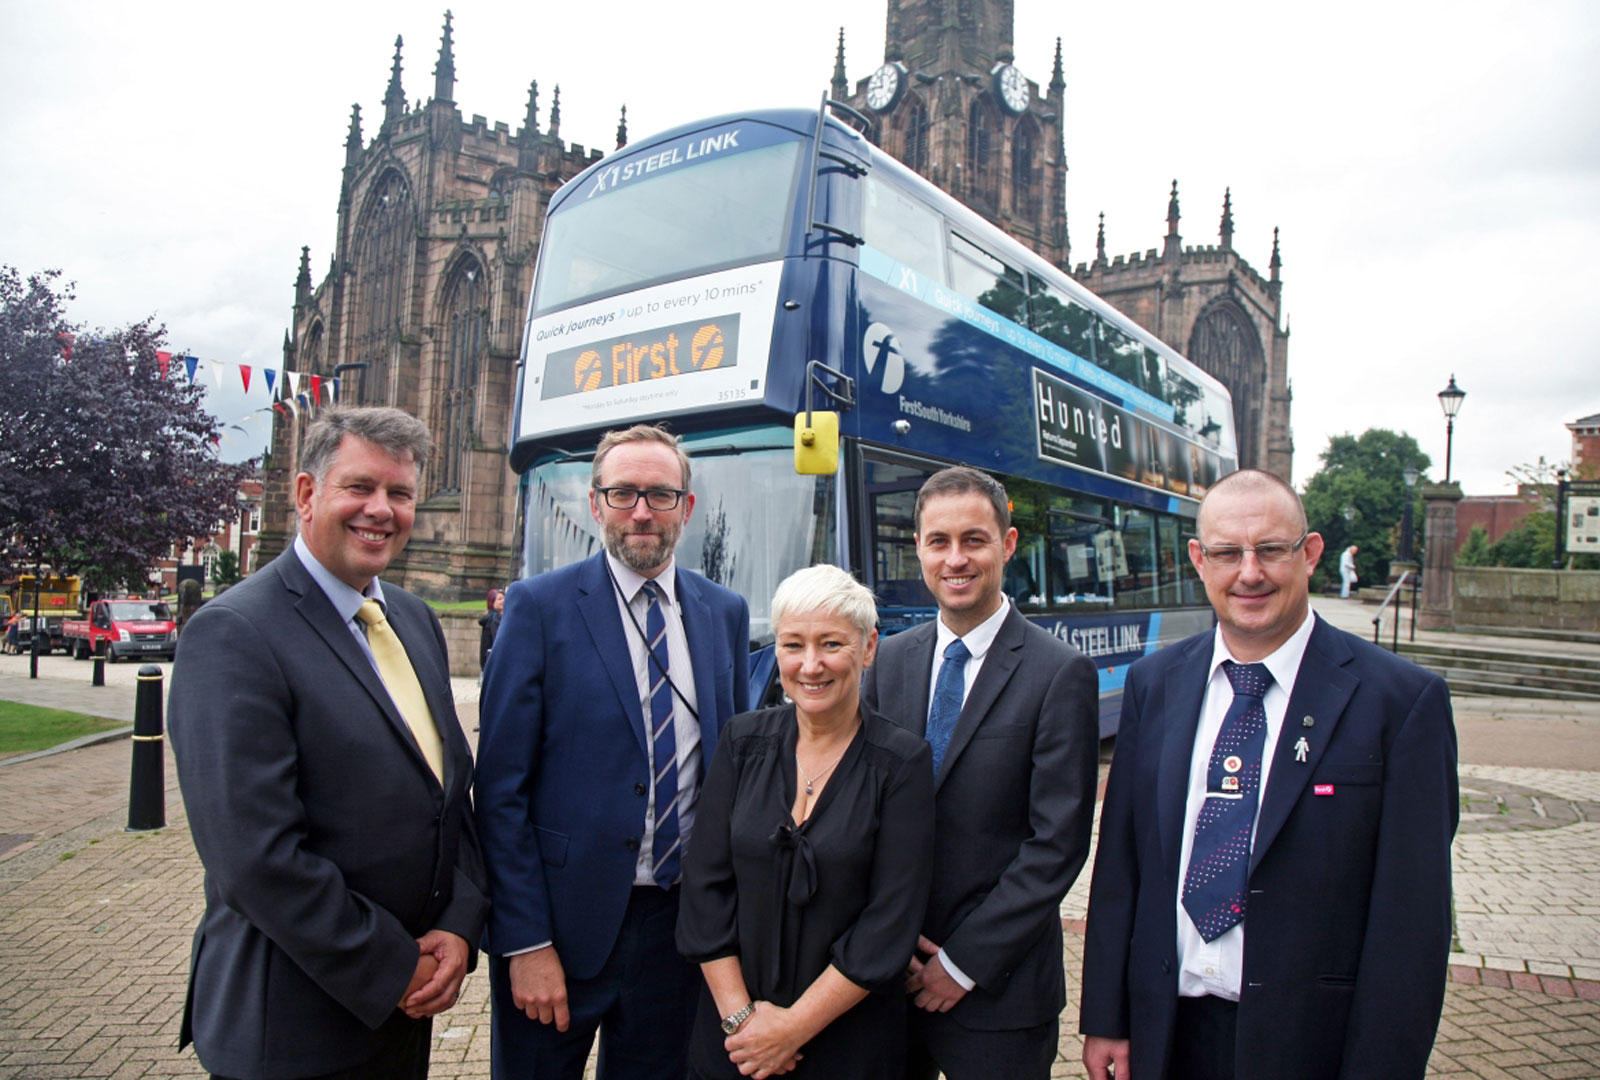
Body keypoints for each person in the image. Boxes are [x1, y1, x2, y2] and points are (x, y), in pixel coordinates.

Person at [1080, 469, 1458, 1080]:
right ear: (1200, 561)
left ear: (1309, 554)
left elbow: (1411, 924)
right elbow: (1122, 863)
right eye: (1228, 553)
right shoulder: (1156, 683)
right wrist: (1108, 1016)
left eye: (1270, 550)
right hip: (1164, 1033)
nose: (1249, 573)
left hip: (1310, 1043)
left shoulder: (1401, 703)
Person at [168, 407, 489, 1080]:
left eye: (399, 493)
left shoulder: (411, 619)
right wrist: (393, 965)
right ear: (307, 494)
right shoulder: (235, 634)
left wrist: (460, 926)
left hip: (402, 1014)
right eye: (360, 487)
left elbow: (447, 798)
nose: (382, 509)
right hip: (292, 1026)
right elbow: (255, 858)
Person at [476, 423, 751, 1080]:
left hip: (678, 932)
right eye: (623, 493)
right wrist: (525, 941)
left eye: (659, 494)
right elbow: (499, 790)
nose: (640, 512)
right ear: (595, 503)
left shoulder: (725, 612)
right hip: (561, 934)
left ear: (686, 507)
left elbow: (732, 768)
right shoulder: (537, 608)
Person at [861, 466, 1100, 1080]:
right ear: (918, 548)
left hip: (1000, 992)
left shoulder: (1059, 673)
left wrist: (961, 963)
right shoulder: (888, 660)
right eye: (938, 541)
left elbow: (1056, 845)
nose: (956, 559)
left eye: (975, 539)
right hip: (889, 980)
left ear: (1009, 544)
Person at [677, 564, 935, 1079]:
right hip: (735, 1045)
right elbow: (704, 889)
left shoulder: (901, 763)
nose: (811, 665)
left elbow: (889, 922)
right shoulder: (740, 742)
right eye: (793, 645)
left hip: (848, 1043)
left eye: (831, 644)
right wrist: (744, 1024)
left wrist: (792, 1029)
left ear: (868, 648)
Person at [479, 587, 503, 671]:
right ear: (492, 602)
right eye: (499, 599)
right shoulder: (495, 618)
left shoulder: (490, 617)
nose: (503, 601)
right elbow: (497, 641)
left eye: (504, 598)